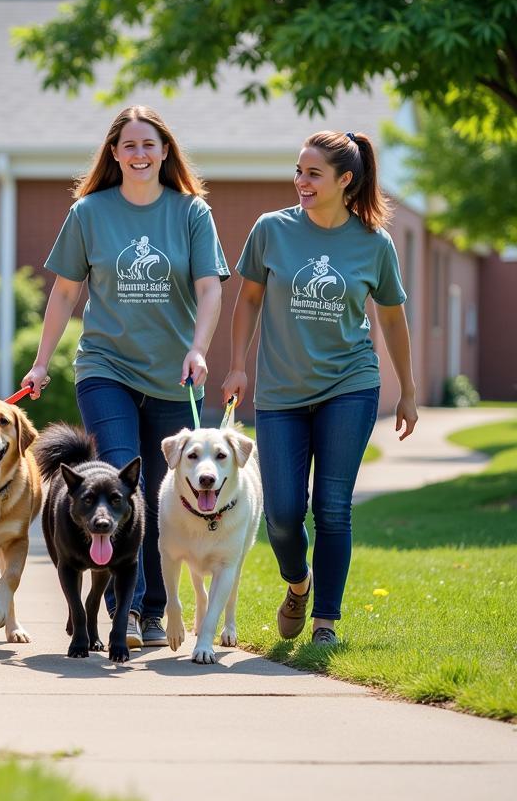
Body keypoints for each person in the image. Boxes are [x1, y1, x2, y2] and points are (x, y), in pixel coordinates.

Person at [21, 105, 229, 649]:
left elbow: (210, 287)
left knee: (161, 499)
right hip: (105, 366)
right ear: (114, 154)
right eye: (129, 145)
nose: (139, 154)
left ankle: (154, 610)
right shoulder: (89, 213)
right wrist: (42, 362)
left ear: (165, 152)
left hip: (175, 376)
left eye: (149, 144)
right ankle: (126, 612)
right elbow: (66, 291)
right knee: (118, 483)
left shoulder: (191, 213)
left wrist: (200, 349)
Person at [221, 130, 418, 647]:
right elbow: (248, 300)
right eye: (298, 172)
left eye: (313, 174)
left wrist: (409, 390)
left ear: (345, 181)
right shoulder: (272, 230)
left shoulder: (374, 244)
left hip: (349, 386)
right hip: (282, 393)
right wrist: (238, 366)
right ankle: (298, 582)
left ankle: (325, 621)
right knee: (283, 513)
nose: (300, 182)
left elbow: (394, 322)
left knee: (332, 506)